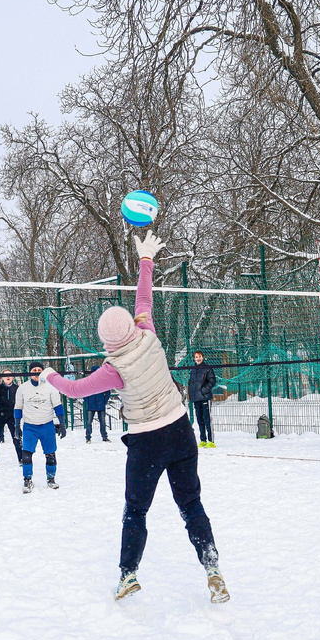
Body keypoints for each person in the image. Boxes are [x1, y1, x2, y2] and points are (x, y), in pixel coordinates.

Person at [43, 230, 229, 604]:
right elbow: (144, 297)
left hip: (146, 441)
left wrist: (49, 376)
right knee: (190, 504)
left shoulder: (113, 369)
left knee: (136, 510)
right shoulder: (147, 331)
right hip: (180, 431)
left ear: (107, 341)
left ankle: (128, 575)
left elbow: (76, 390)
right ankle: (212, 569)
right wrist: (146, 259)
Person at [14, 361, 65, 491]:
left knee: (51, 454)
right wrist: (16, 426)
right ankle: (27, 480)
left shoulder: (51, 387)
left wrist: (62, 423)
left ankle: (51, 479)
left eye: (39, 369)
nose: (36, 372)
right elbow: (18, 408)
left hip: (47, 425)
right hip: (30, 426)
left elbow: (58, 406)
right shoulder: (23, 388)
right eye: (34, 369)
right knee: (26, 455)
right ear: (30, 372)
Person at [0, 369, 20, 468]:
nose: (8, 377)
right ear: (2, 378)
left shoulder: (17, 388)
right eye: (5, 375)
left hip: (12, 416)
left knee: (17, 437)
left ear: (13, 377)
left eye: (10, 375)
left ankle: (21, 459)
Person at [187, 351, 217, 448]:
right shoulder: (193, 370)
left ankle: (211, 440)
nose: (198, 358)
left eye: (199, 356)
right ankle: (203, 440)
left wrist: (204, 390)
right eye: (196, 357)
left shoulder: (207, 368)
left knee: (207, 419)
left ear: (202, 357)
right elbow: (191, 383)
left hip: (204, 397)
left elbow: (212, 380)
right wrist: (191, 394)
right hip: (196, 399)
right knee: (199, 419)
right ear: (194, 358)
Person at [82, 365, 111, 442]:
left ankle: (102, 436)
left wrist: (104, 401)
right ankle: (89, 437)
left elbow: (108, 393)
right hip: (94, 405)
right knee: (90, 422)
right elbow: (84, 393)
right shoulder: (89, 381)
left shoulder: (102, 382)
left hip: (97, 405)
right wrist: (87, 401)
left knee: (101, 422)